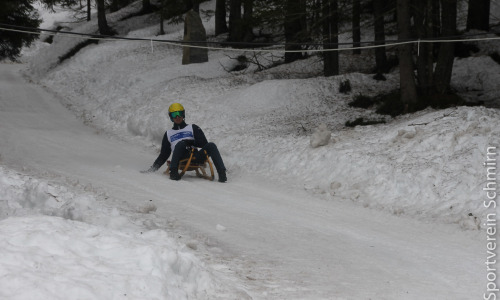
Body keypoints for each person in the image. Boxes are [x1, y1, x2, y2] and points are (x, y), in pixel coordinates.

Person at [141, 103, 227, 182]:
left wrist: (191, 142)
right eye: (174, 114)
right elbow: (164, 155)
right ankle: (173, 173)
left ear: (183, 114)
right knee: (180, 144)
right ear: (171, 117)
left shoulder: (193, 127)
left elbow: (204, 143)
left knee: (211, 145)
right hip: (180, 158)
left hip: (195, 156)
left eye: (180, 113)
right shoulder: (168, 133)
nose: (177, 117)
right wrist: (152, 169)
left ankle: (222, 173)